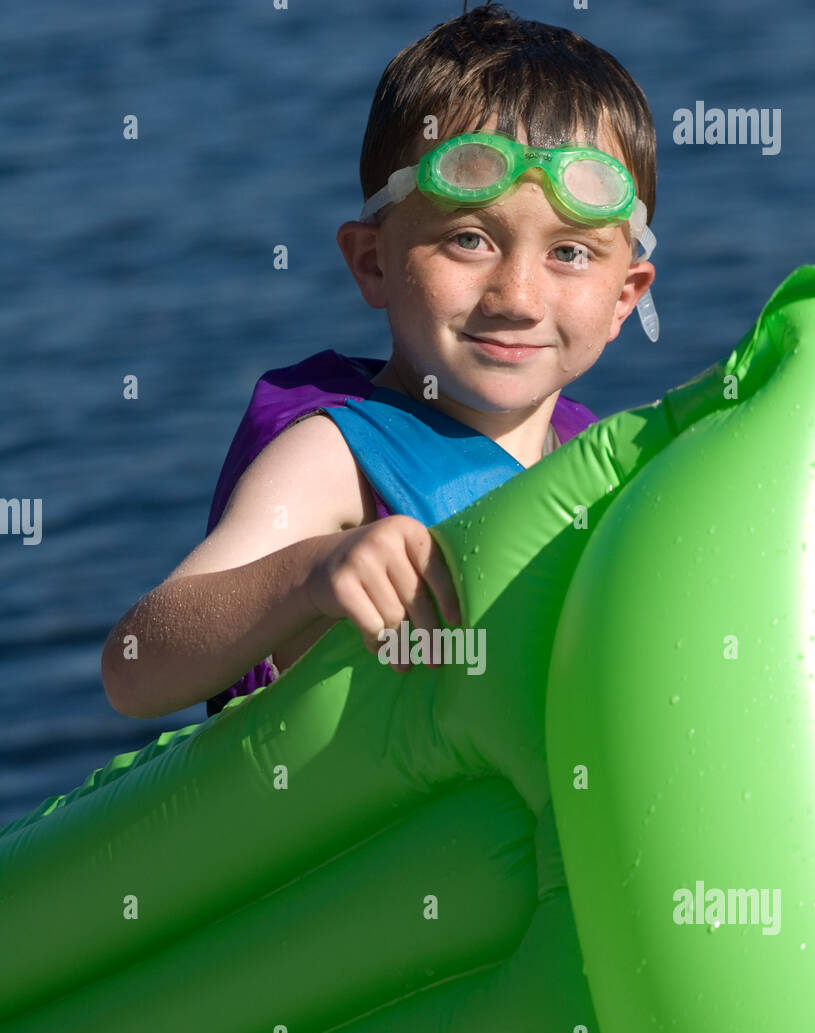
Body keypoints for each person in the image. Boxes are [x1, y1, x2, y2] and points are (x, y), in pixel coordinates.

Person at [101, 3, 657, 720]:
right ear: (373, 263)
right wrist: (310, 575)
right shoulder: (333, 461)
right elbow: (133, 667)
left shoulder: (595, 458)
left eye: (569, 253)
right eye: (468, 240)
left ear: (625, 297)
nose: (518, 298)